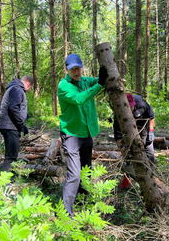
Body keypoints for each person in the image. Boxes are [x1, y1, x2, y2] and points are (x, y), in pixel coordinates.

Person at [58, 53, 108, 217]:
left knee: (86, 169)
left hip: (87, 133)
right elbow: (79, 99)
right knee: (74, 173)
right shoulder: (64, 86)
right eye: (73, 70)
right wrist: (99, 84)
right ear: (67, 70)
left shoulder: (85, 80)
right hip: (71, 134)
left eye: (78, 68)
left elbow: (96, 81)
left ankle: (83, 200)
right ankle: (66, 213)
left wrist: (104, 75)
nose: (77, 72)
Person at [0, 75, 34, 173]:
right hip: (10, 127)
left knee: (11, 154)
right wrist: (21, 124)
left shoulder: (14, 88)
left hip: (10, 126)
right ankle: (7, 184)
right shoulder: (17, 89)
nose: (29, 90)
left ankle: (9, 180)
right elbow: (13, 108)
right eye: (30, 88)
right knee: (11, 157)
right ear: (28, 84)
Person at [113, 93, 156, 166]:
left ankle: (150, 171)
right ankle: (129, 172)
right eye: (128, 108)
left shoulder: (141, 104)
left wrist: (151, 132)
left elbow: (151, 117)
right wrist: (124, 151)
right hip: (128, 131)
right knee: (129, 155)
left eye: (131, 107)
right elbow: (118, 137)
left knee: (150, 151)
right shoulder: (119, 114)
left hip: (143, 126)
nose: (130, 109)